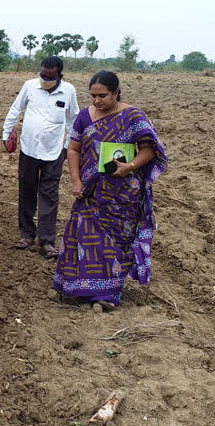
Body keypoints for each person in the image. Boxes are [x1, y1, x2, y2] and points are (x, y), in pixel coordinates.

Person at [53, 70, 167, 310]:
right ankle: (80, 289)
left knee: (115, 243)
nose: (97, 101)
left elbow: (149, 150)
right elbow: (73, 150)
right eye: (93, 96)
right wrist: (76, 181)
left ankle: (107, 295)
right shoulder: (84, 116)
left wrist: (130, 166)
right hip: (91, 191)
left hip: (123, 194)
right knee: (83, 238)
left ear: (116, 92)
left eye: (103, 95)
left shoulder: (133, 116)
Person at [2, 56, 78, 258]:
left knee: (49, 196)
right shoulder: (30, 86)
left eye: (50, 76)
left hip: (54, 153)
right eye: (42, 74)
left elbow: (73, 121)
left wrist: (66, 147)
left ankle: (47, 242)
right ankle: (26, 234)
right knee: (26, 191)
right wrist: (6, 132)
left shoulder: (69, 91)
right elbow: (15, 109)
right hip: (29, 150)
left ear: (59, 76)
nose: (45, 79)